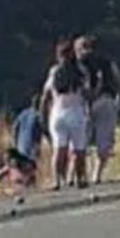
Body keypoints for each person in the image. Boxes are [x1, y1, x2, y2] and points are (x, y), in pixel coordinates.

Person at [75, 35, 120, 185]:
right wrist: (116, 96)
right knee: (104, 139)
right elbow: (119, 82)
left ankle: (76, 175)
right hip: (105, 100)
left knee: (80, 140)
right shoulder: (107, 62)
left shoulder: (76, 63)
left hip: (82, 103)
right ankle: (96, 174)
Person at [40, 41, 90, 190]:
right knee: (79, 149)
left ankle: (56, 180)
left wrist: (43, 115)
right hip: (76, 112)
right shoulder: (80, 71)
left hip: (58, 113)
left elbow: (46, 95)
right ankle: (80, 178)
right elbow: (87, 93)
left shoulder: (54, 72)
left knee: (59, 149)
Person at [2, 94, 43, 192]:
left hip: (20, 144)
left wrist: (15, 140)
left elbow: (15, 127)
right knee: (31, 167)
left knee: (21, 166)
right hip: (30, 146)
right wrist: (38, 146)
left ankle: (20, 183)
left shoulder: (23, 113)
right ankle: (30, 186)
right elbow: (38, 132)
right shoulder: (38, 116)